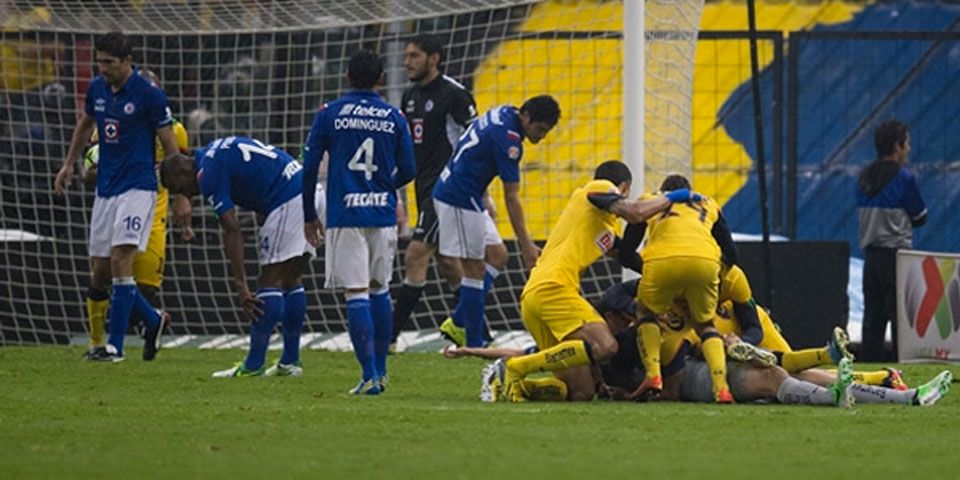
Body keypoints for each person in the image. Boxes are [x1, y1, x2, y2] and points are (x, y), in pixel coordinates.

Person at [481, 160, 696, 402]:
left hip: (536, 297)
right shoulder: (598, 188)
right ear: (624, 187)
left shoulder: (601, 226)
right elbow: (635, 213)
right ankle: (515, 367)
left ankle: (509, 383)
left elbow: (626, 256)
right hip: (554, 287)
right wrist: (676, 197)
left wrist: (663, 273)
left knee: (582, 392)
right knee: (606, 346)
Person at [54, 31, 178, 362]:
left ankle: (115, 347)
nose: (102, 68)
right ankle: (146, 324)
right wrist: (69, 164)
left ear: (127, 61)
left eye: (109, 63)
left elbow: (171, 147)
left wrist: (180, 194)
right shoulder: (97, 88)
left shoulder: (149, 95)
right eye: (100, 61)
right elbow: (85, 125)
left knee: (121, 259)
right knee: (101, 270)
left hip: (139, 187)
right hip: (106, 188)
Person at [302, 50, 416, 394]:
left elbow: (308, 171)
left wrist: (309, 216)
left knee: (356, 292)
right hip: (382, 214)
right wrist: (382, 187)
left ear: (348, 76)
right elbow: (409, 170)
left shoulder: (330, 114)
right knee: (380, 289)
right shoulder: (394, 116)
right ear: (381, 79)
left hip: (345, 213)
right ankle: (380, 371)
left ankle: (368, 376)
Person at [161, 136, 315, 377]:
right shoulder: (213, 150)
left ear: (183, 172)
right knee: (291, 279)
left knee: (269, 282)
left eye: (180, 190)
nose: (187, 195)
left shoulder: (207, 175)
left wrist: (240, 285)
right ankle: (290, 362)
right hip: (309, 188)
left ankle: (253, 366)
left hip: (289, 198)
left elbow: (232, 230)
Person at [80, 68, 193, 360]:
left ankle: (119, 343)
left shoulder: (176, 131)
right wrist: (87, 169)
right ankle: (109, 339)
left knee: (138, 281)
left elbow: (179, 169)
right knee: (103, 272)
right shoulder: (113, 118)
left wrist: (180, 201)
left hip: (153, 209)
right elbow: (90, 163)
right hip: (114, 198)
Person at [432, 94, 559, 348]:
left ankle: (458, 321)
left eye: (546, 131)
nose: (541, 136)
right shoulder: (510, 141)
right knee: (474, 270)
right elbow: (512, 197)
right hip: (458, 196)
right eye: (539, 129)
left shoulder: (504, 112)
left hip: (470, 193)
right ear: (525, 116)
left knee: (498, 255)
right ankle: (474, 343)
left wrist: (484, 195)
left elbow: (474, 150)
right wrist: (526, 246)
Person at [390, 34, 482, 348]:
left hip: (449, 188)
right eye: (406, 56)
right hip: (423, 187)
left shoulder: (455, 95)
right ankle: (478, 331)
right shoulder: (410, 96)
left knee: (416, 254)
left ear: (434, 58)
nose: (407, 62)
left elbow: (476, 142)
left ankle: (387, 338)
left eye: (414, 56)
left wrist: (481, 190)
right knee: (447, 261)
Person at [633, 174, 739, 403]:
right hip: (706, 261)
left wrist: (647, 267)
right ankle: (721, 388)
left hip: (661, 261)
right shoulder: (709, 203)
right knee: (706, 325)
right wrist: (712, 274)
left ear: (662, 193)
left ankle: (653, 376)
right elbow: (732, 254)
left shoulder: (648, 201)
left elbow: (627, 250)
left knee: (645, 312)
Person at [856, 120, 927, 362]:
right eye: (906, 143)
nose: (908, 149)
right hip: (897, 257)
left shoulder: (863, 177)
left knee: (872, 318)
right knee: (901, 318)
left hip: (871, 257)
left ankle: (868, 369)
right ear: (897, 146)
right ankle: (901, 366)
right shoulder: (904, 177)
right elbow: (920, 216)